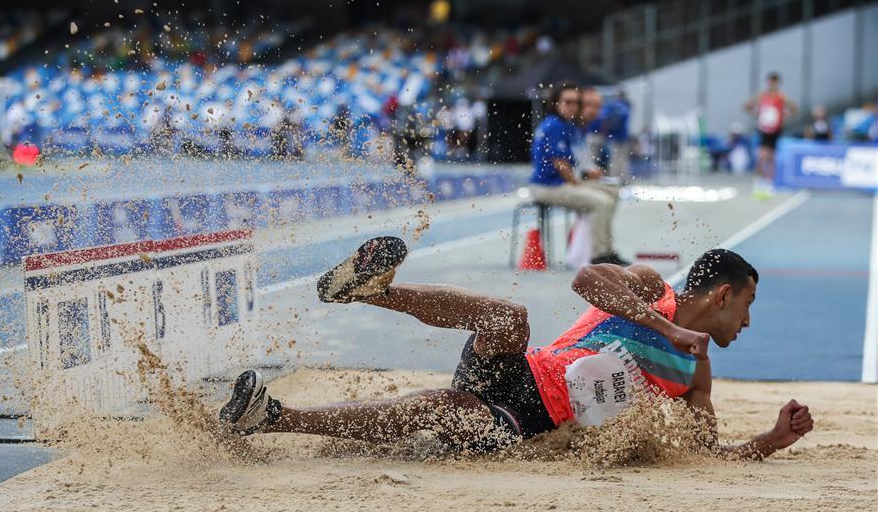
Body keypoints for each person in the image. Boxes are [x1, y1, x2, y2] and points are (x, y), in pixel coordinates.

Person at [219, 236, 814, 459]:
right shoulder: (650, 287)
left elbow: (705, 451)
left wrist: (770, 440)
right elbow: (585, 280)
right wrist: (666, 329)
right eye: (749, 306)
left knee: (446, 408)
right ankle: (371, 292)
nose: (750, 321)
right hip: (520, 371)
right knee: (510, 315)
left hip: (526, 420)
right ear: (723, 294)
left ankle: (271, 417)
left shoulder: (697, 375)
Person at [528, 82, 627, 265]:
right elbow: (561, 165)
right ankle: (599, 255)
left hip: (560, 183)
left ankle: (606, 248)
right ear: (556, 103)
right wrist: (580, 184)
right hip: (547, 187)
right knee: (601, 202)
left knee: (613, 190)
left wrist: (587, 177)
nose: (572, 106)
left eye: (575, 102)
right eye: (567, 102)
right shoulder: (555, 126)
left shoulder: (566, 125)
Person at [744, 72, 798, 180]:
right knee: (763, 154)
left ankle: (770, 179)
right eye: (771, 82)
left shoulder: (781, 97)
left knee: (772, 155)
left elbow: (794, 109)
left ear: (778, 83)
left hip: (776, 129)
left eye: (775, 82)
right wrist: (757, 114)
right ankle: (759, 177)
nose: (772, 84)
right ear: (768, 82)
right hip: (764, 129)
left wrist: (783, 115)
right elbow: (746, 106)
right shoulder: (761, 96)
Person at [600, 89, 632, 184]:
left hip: (614, 136)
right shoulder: (626, 105)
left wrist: (605, 133)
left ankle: (614, 177)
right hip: (623, 136)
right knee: (623, 158)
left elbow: (604, 119)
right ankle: (623, 178)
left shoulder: (612, 105)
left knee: (614, 157)